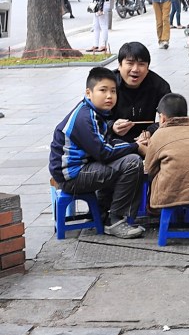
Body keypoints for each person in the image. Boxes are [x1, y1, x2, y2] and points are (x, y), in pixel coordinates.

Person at [49, 67, 147, 239]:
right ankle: (116, 220)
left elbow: (106, 144)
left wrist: (127, 142)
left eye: (113, 91)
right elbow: (104, 152)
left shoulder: (94, 113)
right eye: (103, 90)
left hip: (81, 168)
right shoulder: (84, 117)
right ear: (89, 93)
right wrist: (135, 146)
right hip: (72, 176)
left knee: (122, 158)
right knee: (132, 162)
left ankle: (102, 211)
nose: (109, 96)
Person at [110, 42, 172, 143]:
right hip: (113, 142)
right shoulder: (108, 84)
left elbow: (171, 118)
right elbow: (93, 117)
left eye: (141, 64)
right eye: (130, 63)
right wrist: (111, 126)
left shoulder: (159, 85)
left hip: (148, 141)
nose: (135, 69)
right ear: (119, 66)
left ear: (147, 68)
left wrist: (150, 131)